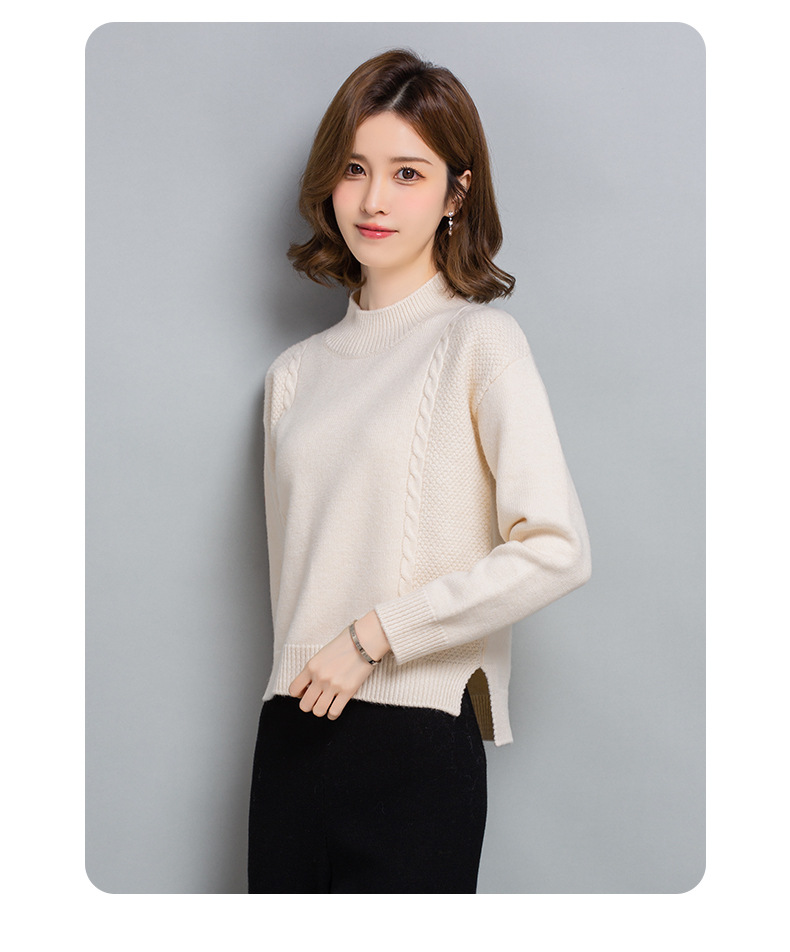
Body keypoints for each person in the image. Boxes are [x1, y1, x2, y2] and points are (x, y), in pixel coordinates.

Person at [247, 48, 592, 894]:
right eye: (354, 168)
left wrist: (376, 635)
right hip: (290, 731)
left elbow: (558, 549)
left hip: (414, 738)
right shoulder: (293, 375)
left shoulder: (480, 342)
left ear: (455, 194)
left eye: (408, 173)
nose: (374, 200)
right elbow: (299, 573)